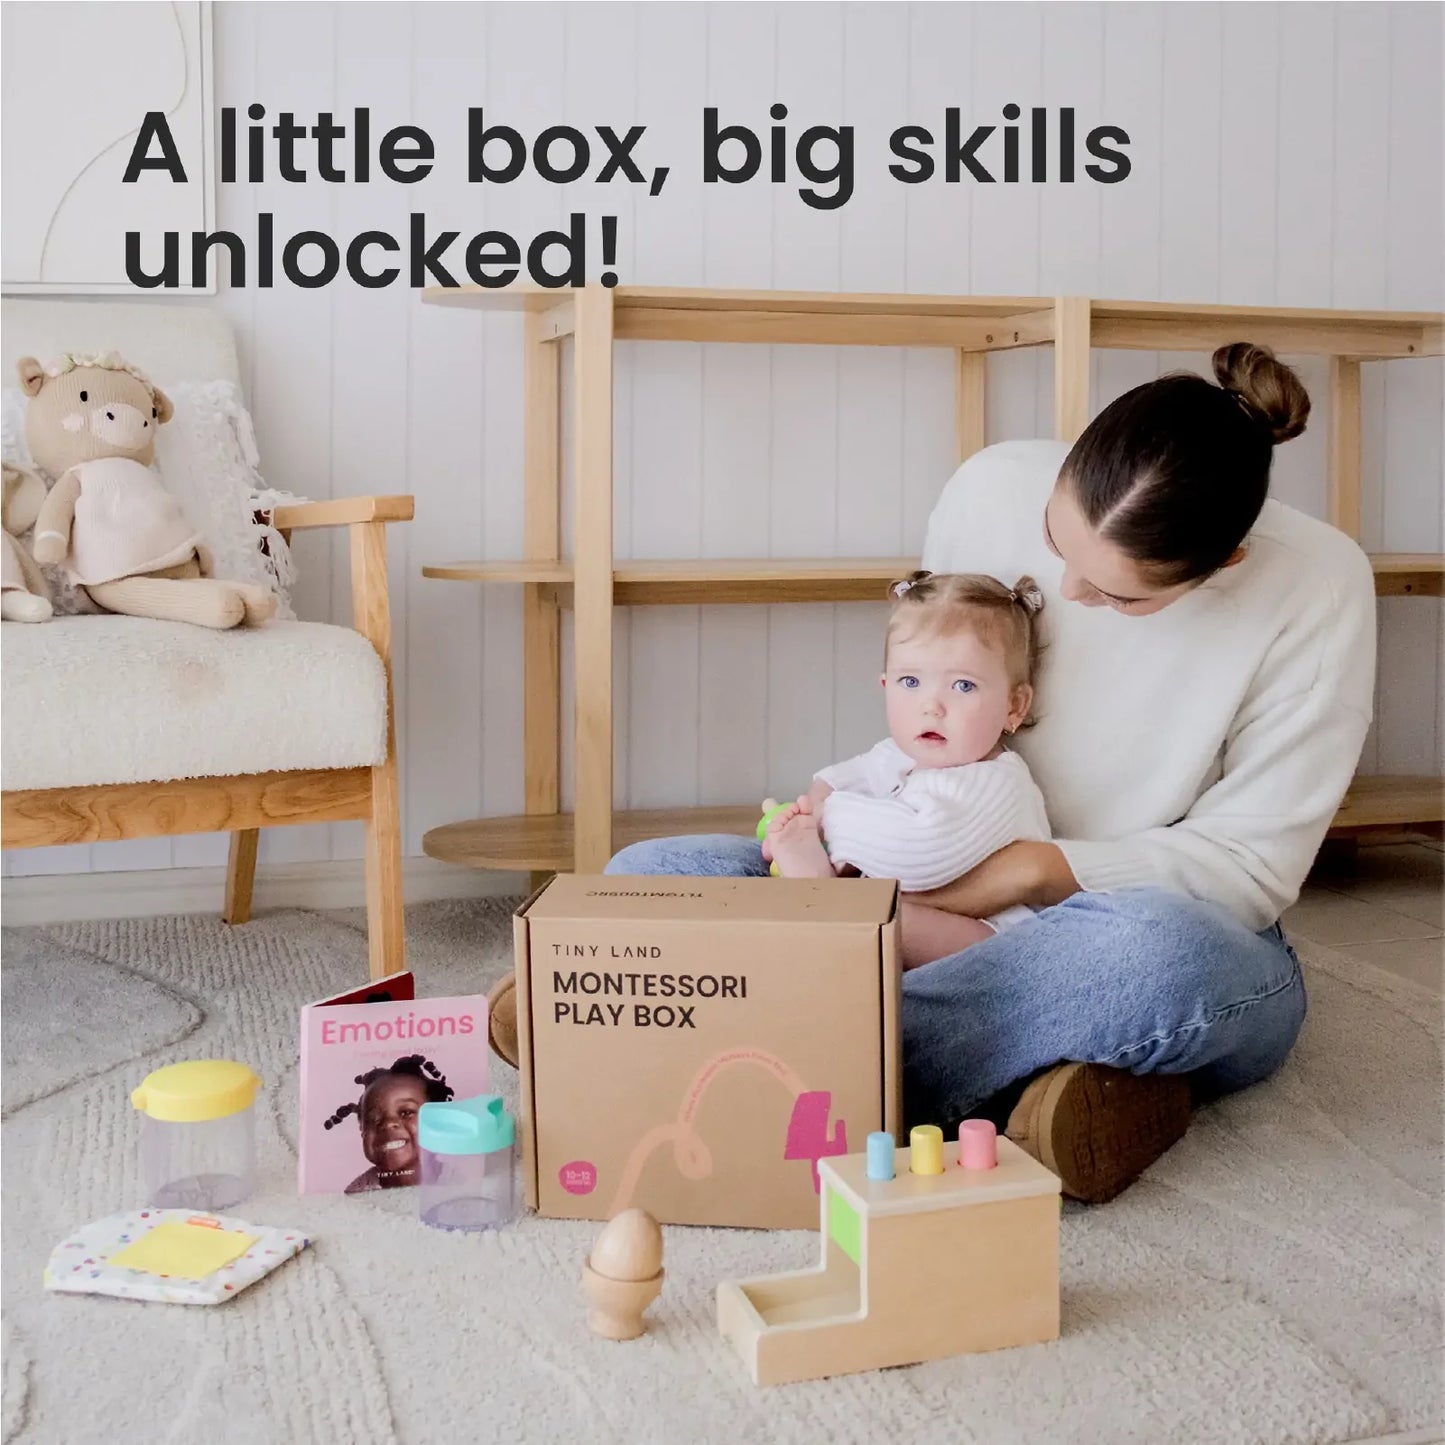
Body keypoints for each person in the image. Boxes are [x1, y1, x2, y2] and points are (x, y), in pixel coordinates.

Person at [597, 341, 1377, 1203]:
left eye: (1121, 596)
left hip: (1138, 924)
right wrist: (854, 843)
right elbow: (933, 692)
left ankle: (763, 1065)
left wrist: (1023, 873)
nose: (1070, 592)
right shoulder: (993, 483)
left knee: (1158, 964)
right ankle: (1060, 1082)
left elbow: (1249, 872)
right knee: (655, 874)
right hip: (929, 877)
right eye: (1054, 543)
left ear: (1222, 562)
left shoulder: (1318, 588)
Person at [764, 570, 1052, 959]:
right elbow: (843, 777)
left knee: (887, 916)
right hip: (905, 909)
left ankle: (820, 894)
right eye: (911, 682)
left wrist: (826, 820)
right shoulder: (901, 756)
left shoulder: (998, 782)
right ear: (886, 686)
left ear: (1014, 706)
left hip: (994, 937)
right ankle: (821, 898)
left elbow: (919, 850)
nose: (931, 706)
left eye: (963, 685)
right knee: (869, 907)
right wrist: (807, 813)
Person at [324, 1055, 455, 1194]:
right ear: (361, 1129)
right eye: (374, 1119)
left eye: (406, 1112)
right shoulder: (356, 1196)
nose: (388, 1124)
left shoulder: (463, 1180)